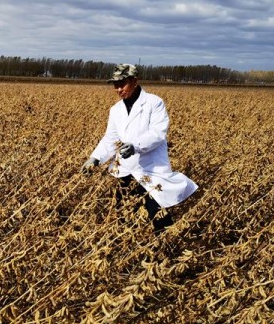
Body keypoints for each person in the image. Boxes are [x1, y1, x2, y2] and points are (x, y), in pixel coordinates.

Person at [81, 63, 198, 234]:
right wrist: (95, 158)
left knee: (157, 215)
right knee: (124, 214)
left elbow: (158, 133)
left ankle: (168, 249)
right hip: (125, 170)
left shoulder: (154, 103)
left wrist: (135, 146)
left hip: (149, 169)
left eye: (122, 84)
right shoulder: (116, 110)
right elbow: (111, 138)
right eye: (115, 85)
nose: (118, 89)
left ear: (135, 81)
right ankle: (131, 248)